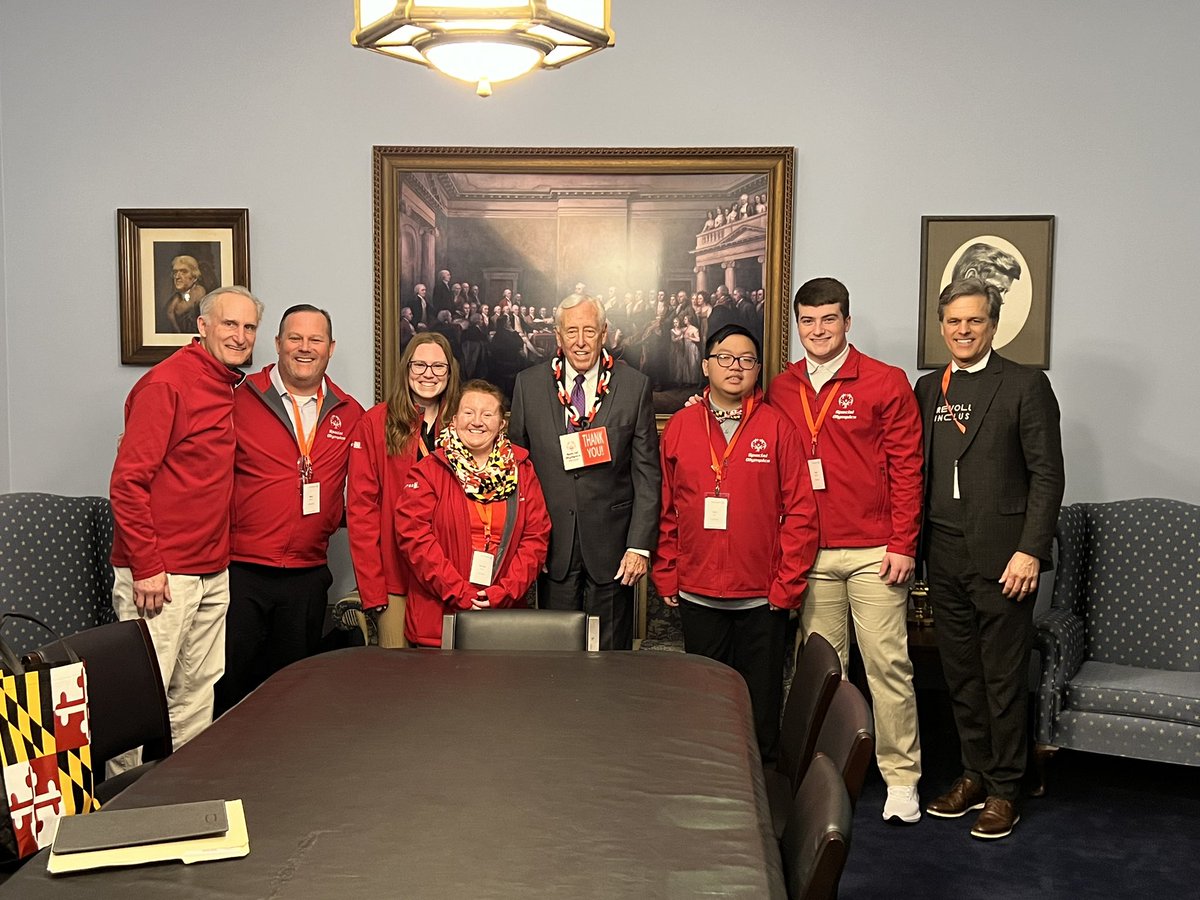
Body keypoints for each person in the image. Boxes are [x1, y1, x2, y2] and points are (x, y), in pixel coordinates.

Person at [766, 277, 925, 824]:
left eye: (828, 319)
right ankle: (823, 772)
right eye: (807, 321)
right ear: (797, 326)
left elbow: (908, 468)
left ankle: (901, 778)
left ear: (847, 323)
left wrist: (904, 542)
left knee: (887, 667)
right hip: (810, 554)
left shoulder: (885, 381)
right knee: (820, 670)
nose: (818, 331)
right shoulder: (782, 388)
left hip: (875, 552)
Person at [915, 277, 1065, 840]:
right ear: (942, 325)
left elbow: (1047, 474)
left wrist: (1031, 549)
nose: (963, 330)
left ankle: (1006, 789)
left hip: (1006, 559)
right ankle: (974, 773)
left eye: (974, 321)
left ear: (993, 325)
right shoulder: (929, 388)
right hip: (944, 554)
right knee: (961, 676)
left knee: (1003, 678)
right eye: (953, 321)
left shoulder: (1026, 385)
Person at [109, 285, 262, 761]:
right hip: (162, 574)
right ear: (202, 326)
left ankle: (178, 798)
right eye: (229, 324)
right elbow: (128, 483)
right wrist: (148, 566)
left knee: (196, 695)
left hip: (212, 571)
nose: (239, 336)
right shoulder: (167, 384)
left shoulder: (227, 384)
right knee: (139, 702)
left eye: (249, 327)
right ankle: (120, 812)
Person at [654, 324, 818, 760]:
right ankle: (709, 777)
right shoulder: (681, 426)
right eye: (724, 358)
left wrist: (786, 586)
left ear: (757, 369)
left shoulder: (778, 427)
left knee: (761, 704)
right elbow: (666, 508)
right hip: (698, 591)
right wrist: (668, 572)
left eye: (746, 360)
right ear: (706, 365)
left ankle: (760, 791)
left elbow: (801, 513)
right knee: (704, 699)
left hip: (761, 598)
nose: (735, 367)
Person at [214, 304, 363, 714]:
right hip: (240, 572)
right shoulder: (237, 398)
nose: (304, 347)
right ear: (277, 344)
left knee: (292, 696)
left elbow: (372, 489)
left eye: (315, 339)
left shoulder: (351, 414)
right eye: (295, 338)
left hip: (308, 576)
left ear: (330, 348)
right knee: (227, 690)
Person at [509, 293, 661, 650]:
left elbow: (647, 474)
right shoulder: (527, 385)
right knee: (555, 657)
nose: (580, 341)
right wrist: (525, 543)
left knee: (609, 657)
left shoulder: (634, 386)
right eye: (571, 331)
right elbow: (518, 470)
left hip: (613, 549)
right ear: (558, 336)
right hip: (550, 546)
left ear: (604, 333)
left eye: (589, 331)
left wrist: (639, 545)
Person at [395, 380, 551, 647]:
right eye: (469, 413)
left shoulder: (522, 470)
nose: (477, 422)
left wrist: (504, 592)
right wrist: (460, 592)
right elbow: (416, 541)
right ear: (454, 420)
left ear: (502, 423)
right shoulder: (429, 471)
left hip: (503, 619)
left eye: (488, 414)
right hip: (438, 622)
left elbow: (535, 538)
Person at [347, 333, 460, 648]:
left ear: (450, 372)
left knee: (455, 677)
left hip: (453, 576)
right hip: (395, 579)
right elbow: (361, 511)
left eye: (438, 366)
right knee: (399, 680)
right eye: (420, 364)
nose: (428, 374)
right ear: (406, 369)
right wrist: (372, 589)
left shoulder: (466, 422)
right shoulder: (375, 423)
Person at [163, 254, 207, 333]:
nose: (177, 277)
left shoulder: (203, 299)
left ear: (194, 276)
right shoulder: (171, 302)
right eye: (175, 272)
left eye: (183, 272)